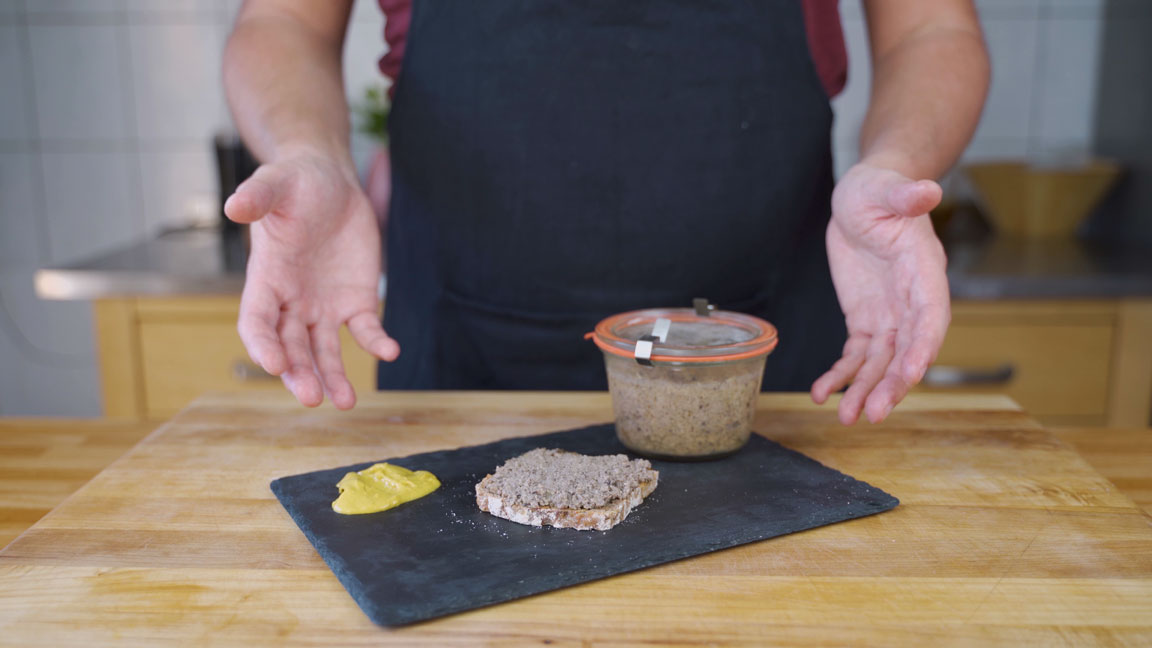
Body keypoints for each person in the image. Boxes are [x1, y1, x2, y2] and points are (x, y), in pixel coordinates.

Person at [222, 0, 989, 425]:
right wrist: (308, 152)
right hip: (464, 352)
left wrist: (895, 166)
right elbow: (282, 22)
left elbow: (932, 28)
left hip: (762, 356)